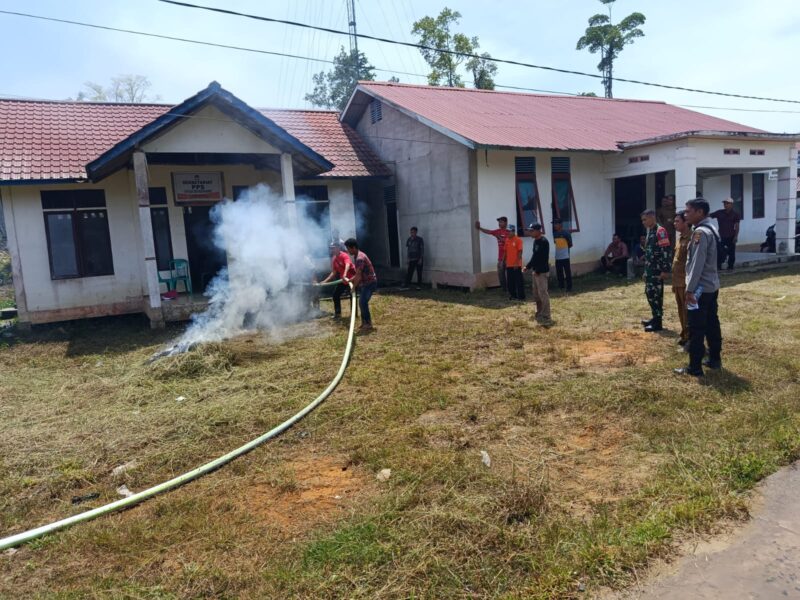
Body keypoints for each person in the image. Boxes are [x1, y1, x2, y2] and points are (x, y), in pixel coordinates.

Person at [674, 199, 722, 377]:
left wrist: (690, 290)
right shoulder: (712, 228)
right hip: (712, 285)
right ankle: (715, 359)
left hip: (700, 287)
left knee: (696, 327)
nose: (686, 215)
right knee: (712, 323)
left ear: (700, 212)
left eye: (688, 211)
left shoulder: (700, 233)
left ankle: (694, 367)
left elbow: (697, 264)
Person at [640, 209, 672, 332]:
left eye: (645, 219)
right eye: (642, 220)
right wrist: (646, 271)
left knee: (656, 296)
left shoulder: (660, 231)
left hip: (658, 271)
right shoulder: (650, 232)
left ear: (652, 218)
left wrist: (665, 270)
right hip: (650, 270)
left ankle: (658, 323)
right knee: (650, 294)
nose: (643, 222)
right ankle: (654, 318)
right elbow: (649, 254)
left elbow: (666, 252)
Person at [344, 238, 378, 332]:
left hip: (370, 283)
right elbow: (358, 273)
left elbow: (358, 276)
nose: (347, 251)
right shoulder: (357, 256)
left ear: (353, 247)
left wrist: (353, 288)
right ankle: (364, 323)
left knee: (362, 302)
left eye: (348, 249)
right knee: (362, 302)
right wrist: (351, 279)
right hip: (365, 283)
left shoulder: (359, 258)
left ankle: (368, 324)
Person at [319, 242, 355, 319]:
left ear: (338, 248)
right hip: (343, 280)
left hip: (351, 279)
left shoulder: (344, 255)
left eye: (333, 248)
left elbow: (348, 265)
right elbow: (334, 272)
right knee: (335, 295)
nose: (332, 249)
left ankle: (354, 314)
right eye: (331, 248)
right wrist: (325, 281)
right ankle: (338, 314)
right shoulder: (334, 259)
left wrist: (345, 274)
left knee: (352, 295)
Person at [523, 224, 551, 324]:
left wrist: (538, 270)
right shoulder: (535, 241)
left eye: (532, 231)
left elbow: (543, 258)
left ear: (538, 231)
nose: (530, 232)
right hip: (536, 271)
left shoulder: (544, 242)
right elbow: (534, 256)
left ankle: (546, 315)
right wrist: (528, 266)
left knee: (543, 293)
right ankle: (539, 312)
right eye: (529, 231)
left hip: (542, 272)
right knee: (536, 294)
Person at [671, 211, 691, 348]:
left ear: (685, 223)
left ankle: (690, 337)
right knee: (680, 310)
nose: (674, 223)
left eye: (677, 221)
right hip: (677, 281)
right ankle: (684, 334)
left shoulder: (691, 238)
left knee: (687, 311)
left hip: (685, 282)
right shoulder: (680, 238)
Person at [475, 216, 510, 291]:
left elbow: (507, 243)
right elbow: (488, 231)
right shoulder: (498, 231)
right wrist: (479, 228)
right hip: (500, 258)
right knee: (501, 275)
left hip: (509, 258)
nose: (499, 224)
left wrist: (499, 237)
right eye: (499, 222)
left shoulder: (509, 232)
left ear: (506, 223)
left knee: (510, 275)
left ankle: (511, 289)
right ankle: (504, 289)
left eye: (501, 222)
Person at [710, 198, 741, 270]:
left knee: (731, 252)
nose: (725, 205)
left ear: (731, 204)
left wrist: (736, 236)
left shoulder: (735, 214)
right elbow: (709, 215)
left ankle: (730, 267)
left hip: (731, 236)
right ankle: (718, 266)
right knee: (719, 251)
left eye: (727, 203)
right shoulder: (719, 213)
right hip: (721, 236)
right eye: (724, 203)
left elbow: (737, 226)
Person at [551, 218, 573, 292]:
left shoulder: (566, 233)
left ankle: (569, 287)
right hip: (558, 256)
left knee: (567, 272)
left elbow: (570, 244)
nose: (554, 225)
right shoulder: (554, 234)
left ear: (560, 224)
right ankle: (561, 286)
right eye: (554, 224)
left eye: (556, 224)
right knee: (559, 272)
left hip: (565, 256)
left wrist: (565, 250)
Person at [504, 225, 525, 300]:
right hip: (509, 264)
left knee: (518, 282)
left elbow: (520, 252)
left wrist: (516, 263)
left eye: (509, 231)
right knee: (510, 282)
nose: (507, 233)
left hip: (516, 265)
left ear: (513, 231)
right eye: (507, 231)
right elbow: (505, 252)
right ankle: (513, 296)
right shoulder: (507, 240)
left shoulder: (518, 240)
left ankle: (521, 297)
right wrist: (503, 261)